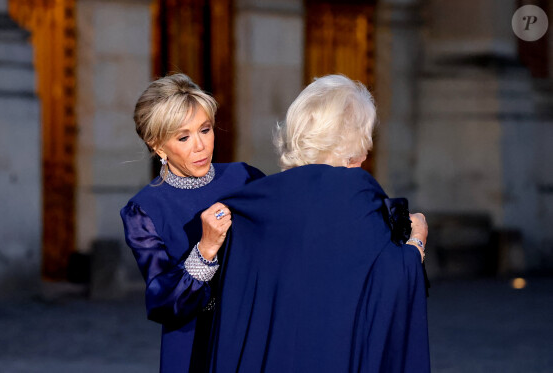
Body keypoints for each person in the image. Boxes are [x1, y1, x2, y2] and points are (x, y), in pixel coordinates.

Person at [208, 74, 430, 372]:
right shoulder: (355, 195)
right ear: (353, 138)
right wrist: (417, 241)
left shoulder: (254, 200)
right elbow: (389, 281)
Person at [120, 73, 265, 372]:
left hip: (252, 333)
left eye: (206, 130)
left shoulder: (245, 178)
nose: (200, 146)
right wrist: (206, 248)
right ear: (158, 145)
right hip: (195, 342)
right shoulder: (144, 210)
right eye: (184, 137)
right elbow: (164, 303)